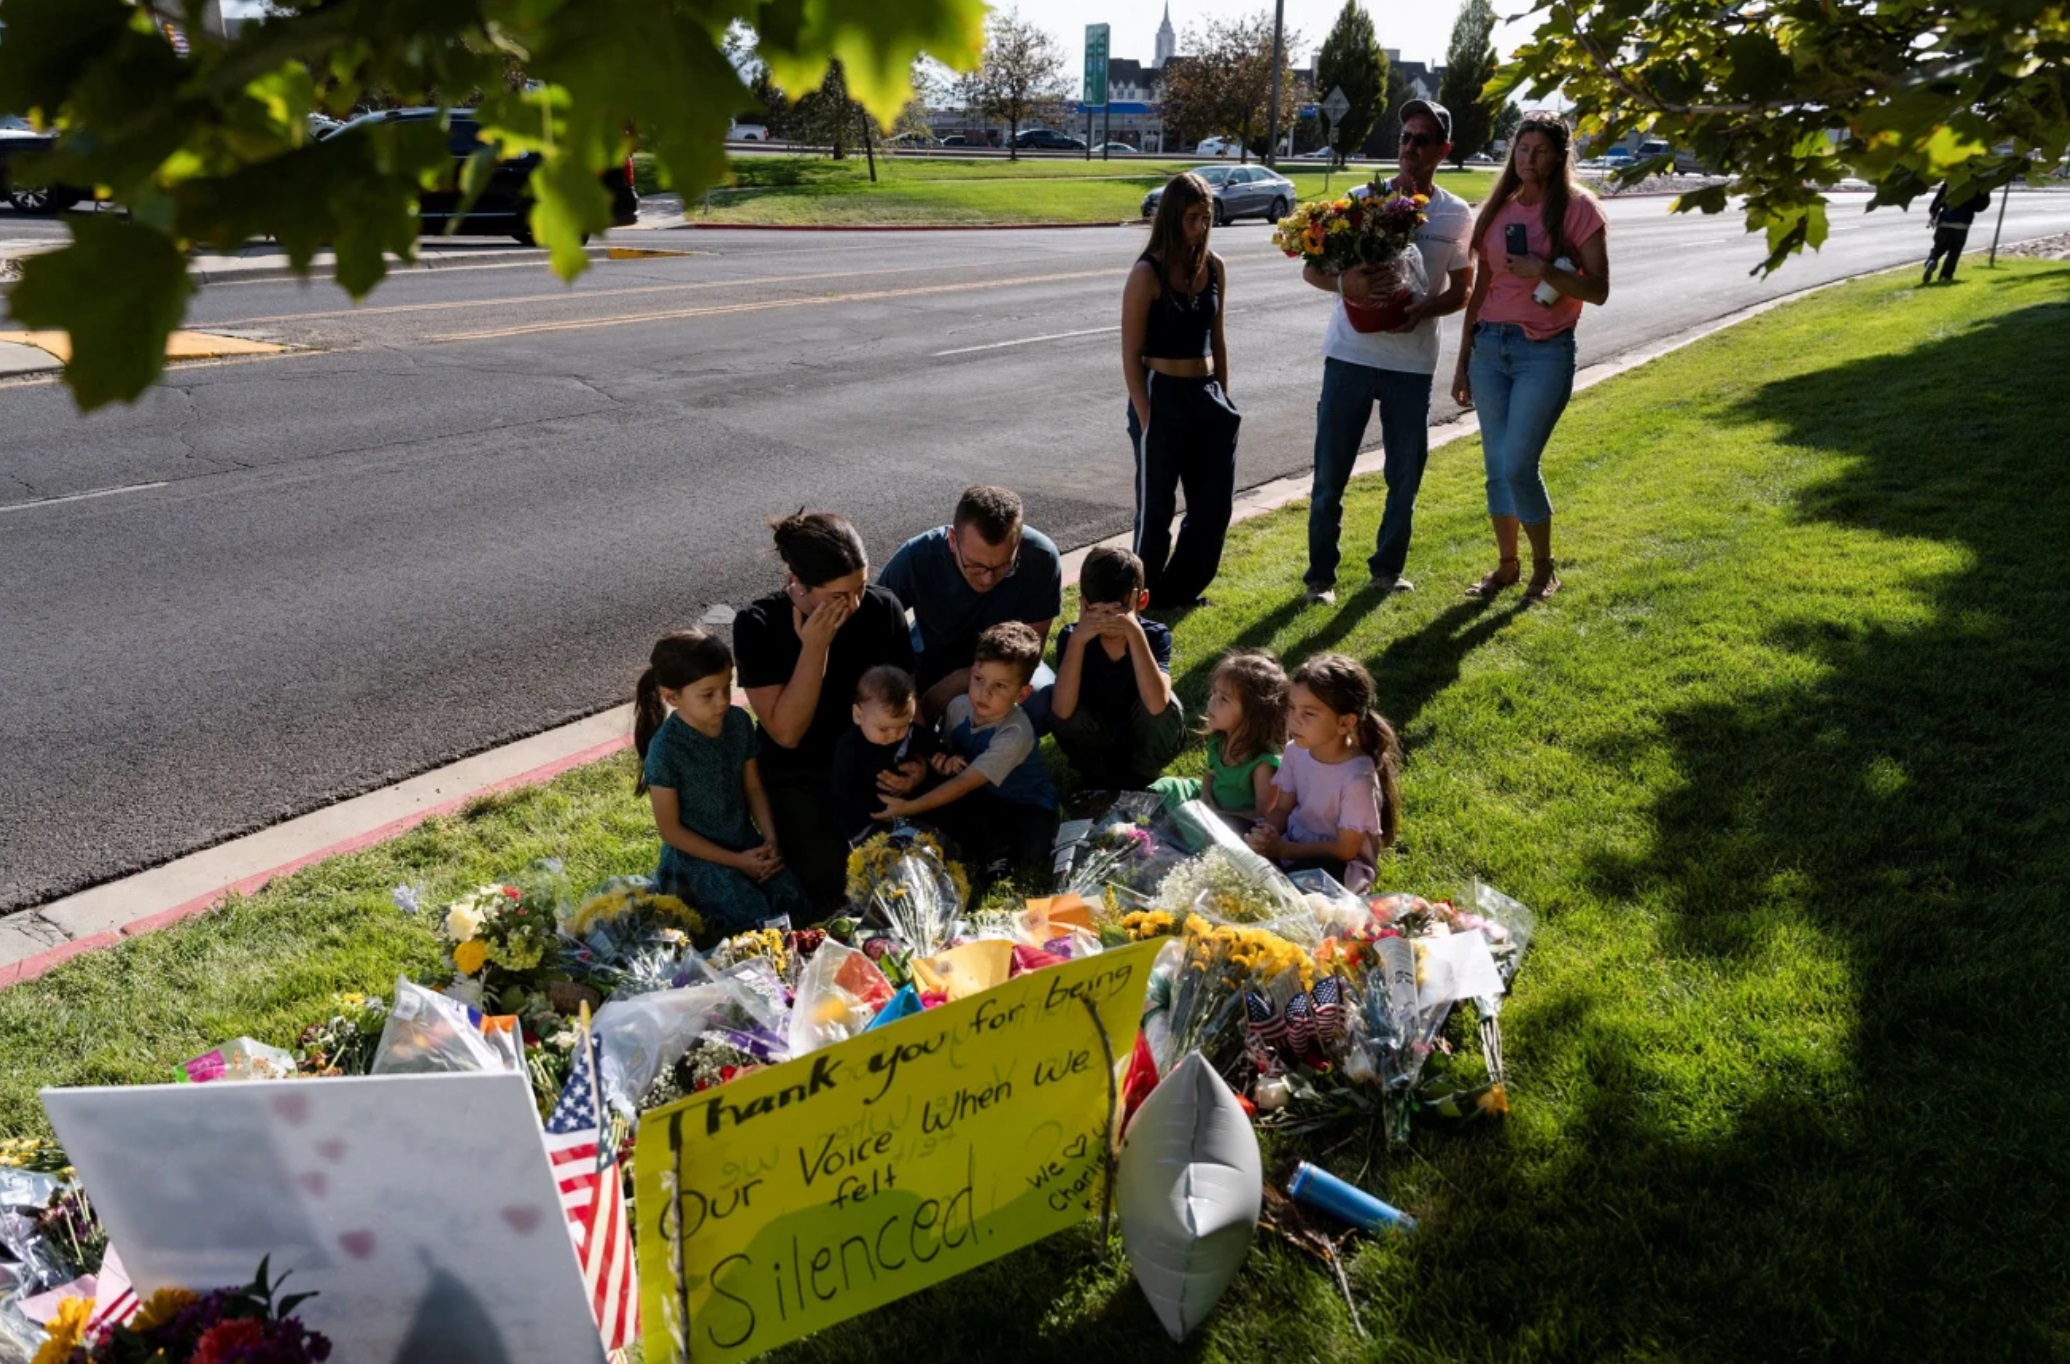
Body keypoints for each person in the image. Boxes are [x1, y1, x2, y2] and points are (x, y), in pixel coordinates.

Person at [1302, 99, 1476, 604]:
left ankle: (1386, 571)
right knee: (1329, 474)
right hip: (1349, 356)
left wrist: (1423, 309)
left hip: (1411, 365)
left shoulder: (1455, 214)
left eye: (1422, 140)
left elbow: (1463, 290)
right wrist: (1344, 282)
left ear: (1443, 150)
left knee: (1404, 475)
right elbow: (1311, 270)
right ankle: (1320, 579)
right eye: (1404, 137)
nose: (1409, 148)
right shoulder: (1359, 200)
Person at [1452, 114, 1611, 603]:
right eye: (1522, 148)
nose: (1528, 157)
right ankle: (1507, 567)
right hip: (1490, 349)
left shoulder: (1579, 210)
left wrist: (1543, 269)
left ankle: (1545, 568)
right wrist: (1462, 359)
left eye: (1540, 149)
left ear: (1560, 156)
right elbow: (1481, 289)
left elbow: (1599, 289)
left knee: (1520, 463)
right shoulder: (1498, 208)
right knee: (1497, 467)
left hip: (1544, 351)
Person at [733, 511, 916, 908]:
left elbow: (906, 708)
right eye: (837, 596)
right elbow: (786, 732)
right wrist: (815, 647)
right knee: (836, 883)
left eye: (860, 588)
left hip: (872, 761)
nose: (852, 604)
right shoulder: (757, 625)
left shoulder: (882, 609)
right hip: (800, 775)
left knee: (912, 864)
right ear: (797, 584)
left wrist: (915, 763)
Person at [633, 629, 811, 930]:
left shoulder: (738, 723)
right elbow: (671, 831)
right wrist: (739, 862)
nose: (722, 702)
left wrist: (770, 840)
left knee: (794, 901)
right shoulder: (666, 750)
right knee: (759, 919)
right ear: (672, 697)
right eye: (708, 694)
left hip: (745, 842)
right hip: (698, 860)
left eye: (726, 688)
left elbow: (753, 787)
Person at [1121, 171, 1241, 612]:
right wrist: (1147, 416)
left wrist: (1223, 396)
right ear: (1173, 217)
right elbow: (1130, 354)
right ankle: (1140, 598)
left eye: (1206, 217)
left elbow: (1219, 337)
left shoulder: (1214, 267)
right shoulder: (1147, 272)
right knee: (1155, 513)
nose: (1201, 226)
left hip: (1207, 396)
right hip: (1161, 395)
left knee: (1213, 507)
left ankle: (1179, 591)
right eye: (1192, 217)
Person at [875, 622, 1058, 885]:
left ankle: (996, 849)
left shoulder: (1015, 732)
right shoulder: (958, 707)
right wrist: (941, 761)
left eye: (1000, 686)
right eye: (978, 679)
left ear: (1023, 693)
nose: (984, 693)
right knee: (951, 805)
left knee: (1033, 855)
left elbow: (962, 784)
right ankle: (987, 845)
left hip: (1025, 804)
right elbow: (947, 755)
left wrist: (908, 807)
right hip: (981, 794)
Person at [879, 485, 1064, 721]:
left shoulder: (1041, 557)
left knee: (1039, 701)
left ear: (1019, 541)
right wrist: (908, 692)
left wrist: (961, 680)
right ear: (953, 541)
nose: (988, 579)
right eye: (975, 565)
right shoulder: (917, 556)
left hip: (1003, 668)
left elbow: (1029, 655)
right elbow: (874, 626)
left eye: (1003, 566)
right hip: (929, 658)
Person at [1245, 653, 1400, 892]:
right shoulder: (1295, 751)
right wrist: (1267, 833)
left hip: (1336, 866)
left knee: (1299, 886)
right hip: (1292, 846)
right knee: (1235, 834)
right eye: (1292, 708)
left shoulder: (1358, 779)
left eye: (1308, 713)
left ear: (1345, 723)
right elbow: (1283, 809)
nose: (1294, 721)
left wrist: (1284, 850)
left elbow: (1345, 849)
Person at [1050, 546, 1187, 791]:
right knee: (1059, 700)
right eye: (1099, 613)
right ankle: (1095, 777)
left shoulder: (1155, 636)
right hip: (1098, 738)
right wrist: (1079, 641)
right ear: (1084, 605)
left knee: (1167, 702)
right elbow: (1062, 710)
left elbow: (1157, 704)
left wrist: (1134, 633)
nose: (1110, 623)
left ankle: (1141, 776)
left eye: (1119, 613)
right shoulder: (1073, 638)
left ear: (1141, 601)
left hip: (1140, 739)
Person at [1151, 649, 1287, 826]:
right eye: (1213, 693)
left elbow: (1264, 814)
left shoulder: (1263, 763)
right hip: (1212, 803)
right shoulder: (1220, 739)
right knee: (1167, 786)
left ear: (1253, 714)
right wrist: (1205, 795)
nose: (1212, 701)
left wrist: (1218, 815)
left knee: (1193, 826)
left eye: (1223, 698)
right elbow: (1211, 774)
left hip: (1235, 822)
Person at [828, 666, 941, 846]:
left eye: (904, 725)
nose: (895, 734)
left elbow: (929, 742)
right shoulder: (850, 747)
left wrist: (943, 757)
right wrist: (880, 807)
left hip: (908, 808)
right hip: (866, 819)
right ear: (858, 715)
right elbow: (843, 790)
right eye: (884, 729)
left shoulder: (909, 732)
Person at [1925, 182, 1993, 283]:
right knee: (1954, 252)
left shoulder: (1951, 181)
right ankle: (1945, 276)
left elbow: (1938, 201)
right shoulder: (1976, 184)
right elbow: (1980, 206)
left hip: (1944, 222)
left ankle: (1932, 260)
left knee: (1938, 248)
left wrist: (1933, 214)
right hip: (1962, 224)